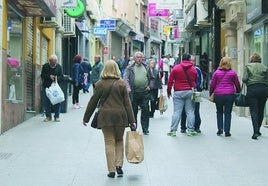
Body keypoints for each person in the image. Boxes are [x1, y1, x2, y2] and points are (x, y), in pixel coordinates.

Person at [83, 60, 136, 178]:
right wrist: (132, 120)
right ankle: (119, 165)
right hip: (120, 116)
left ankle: (111, 170)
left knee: (109, 142)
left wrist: (86, 118)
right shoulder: (122, 84)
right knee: (119, 140)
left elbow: (93, 102)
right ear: (117, 69)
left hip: (105, 116)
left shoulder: (99, 84)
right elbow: (127, 104)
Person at [167, 53, 198, 137]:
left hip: (178, 92)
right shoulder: (193, 69)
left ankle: (173, 130)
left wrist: (169, 92)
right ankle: (191, 130)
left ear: (181, 59)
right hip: (189, 92)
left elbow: (170, 81)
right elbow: (195, 80)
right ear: (189, 59)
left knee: (177, 112)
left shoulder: (176, 68)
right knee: (190, 111)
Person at [209, 57, 241, 137]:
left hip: (218, 95)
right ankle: (227, 131)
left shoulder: (216, 73)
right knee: (228, 113)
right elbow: (237, 84)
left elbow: (212, 85)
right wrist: (238, 91)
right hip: (229, 95)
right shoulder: (233, 73)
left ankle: (220, 129)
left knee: (219, 112)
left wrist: (211, 94)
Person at [242, 53, 268, 140]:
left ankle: (255, 131)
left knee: (254, 110)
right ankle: (259, 129)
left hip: (252, 89)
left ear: (251, 59)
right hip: (263, 89)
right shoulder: (264, 67)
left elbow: (244, 79)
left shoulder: (248, 66)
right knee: (261, 110)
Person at [124, 51, 151, 135]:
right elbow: (125, 78)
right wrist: (128, 87)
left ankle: (145, 128)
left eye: (141, 57)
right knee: (133, 111)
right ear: (135, 58)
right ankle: (133, 128)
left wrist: (149, 85)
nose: (139, 59)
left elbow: (153, 77)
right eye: (138, 57)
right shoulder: (130, 67)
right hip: (134, 93)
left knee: (146, 110)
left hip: (144, 92)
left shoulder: (146, 67)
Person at [181, 55, 203, 133]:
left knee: (196, 109)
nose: (192, 62)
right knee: (184, 109)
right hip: (186, 91)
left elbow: (200, 81)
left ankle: (197, 126)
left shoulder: (197, 70)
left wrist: (195, 87)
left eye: (193, 61)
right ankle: (183, 126)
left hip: (196, 92)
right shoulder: (182, 68)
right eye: (191, 60)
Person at [41, 54, 63, 122]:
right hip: (47, 87)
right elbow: (42, 75)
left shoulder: (59, 67)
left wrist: (56, 78)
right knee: (46, 102)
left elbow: (61, 76)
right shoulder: (45, 66)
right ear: (49, 61)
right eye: (52, 62)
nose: (54, 64)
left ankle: (57, 116)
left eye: (55, 62)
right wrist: (49, 76)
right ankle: (48, 116)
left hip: (55, 87)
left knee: (57, 101)